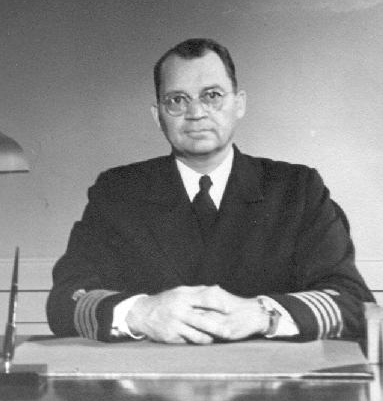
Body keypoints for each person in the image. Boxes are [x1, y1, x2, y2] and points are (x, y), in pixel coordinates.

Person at [46, 38, 374, 343]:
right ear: (157, 115)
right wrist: (140, 312)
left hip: (272, 394)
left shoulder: (297, 189)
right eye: (177, 100)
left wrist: (264, 314)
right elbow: (66, 300)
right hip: (150, 395)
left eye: (212, 95)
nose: (196, 113)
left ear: (239, 103)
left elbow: (352, 301)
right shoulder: (118, 192)